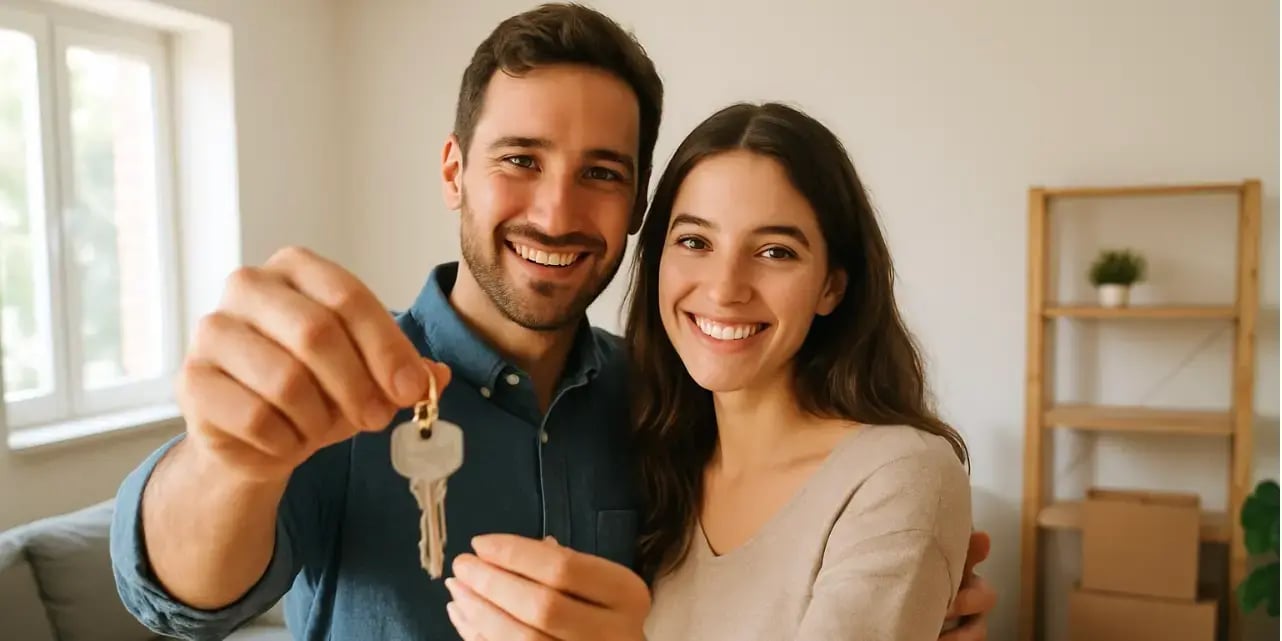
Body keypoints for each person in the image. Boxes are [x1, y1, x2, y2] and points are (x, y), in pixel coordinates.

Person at [109, 4, 996, 641]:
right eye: (520, 159)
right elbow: (187, 598)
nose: (557, 210)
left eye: (602, 172)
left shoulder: (667, 405)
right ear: (454, 170)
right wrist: (227, 461)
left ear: (638, 204)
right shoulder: (340, 380)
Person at [444, 101, 975, 641]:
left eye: (774, 251)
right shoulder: (652, 453)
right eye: (695, 242)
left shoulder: (898, 477)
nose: (724, 289)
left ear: (832, 286)